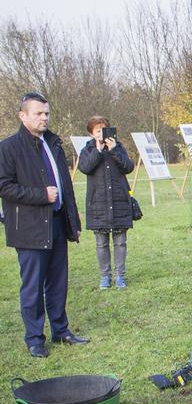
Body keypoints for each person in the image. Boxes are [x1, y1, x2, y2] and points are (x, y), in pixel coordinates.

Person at [0, 92, 89, 358]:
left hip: (57, 223)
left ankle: (61, 330)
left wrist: (73, 220)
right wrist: (41, 195)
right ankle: (34, 338)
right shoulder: (9, 148)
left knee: (58, 282)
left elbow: (65, 185)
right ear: (23, 115)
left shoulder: (53, 143)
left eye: (47, 113)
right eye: (38, 113)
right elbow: (4, 186)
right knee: (33, 286)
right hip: (29, 228)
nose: (44, 118)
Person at [78, 116, 135, 289]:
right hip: (98, 203)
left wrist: (114, 150)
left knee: (120, 242)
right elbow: (85, 168)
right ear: (91, 134)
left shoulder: (118, 147)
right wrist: (98, 150)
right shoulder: (87, 150)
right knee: (101, 243)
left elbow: (128, 167)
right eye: (97, 131)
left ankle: (120, 276)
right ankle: (105, 276)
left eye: (103, 130)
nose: (101, 134)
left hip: (118, 201)